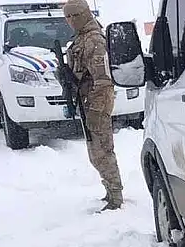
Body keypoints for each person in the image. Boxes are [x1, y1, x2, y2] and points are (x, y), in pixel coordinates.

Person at [61, 0, 123, 211]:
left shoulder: (94, 40)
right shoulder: (81, 39)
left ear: (85, 14)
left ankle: (116, 196)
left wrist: (96, 110)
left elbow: (104, 81)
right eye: (68, 17)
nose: (71, 21)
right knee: (95, 152)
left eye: (75, 16)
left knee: (103, 150)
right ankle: (109, 190)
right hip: (88, 100)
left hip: (97, 102)